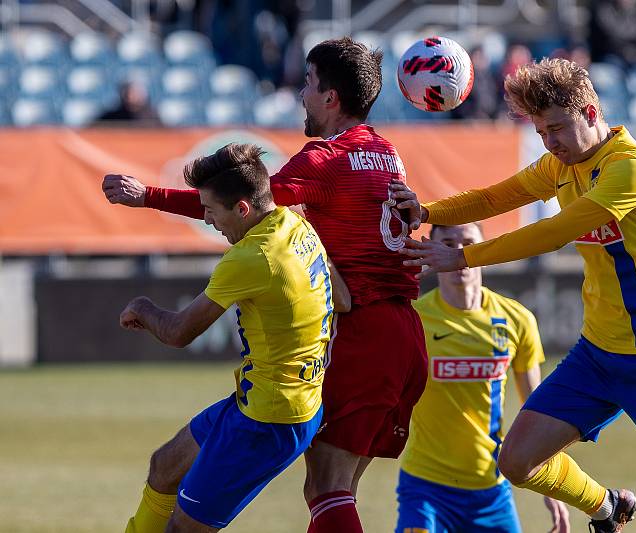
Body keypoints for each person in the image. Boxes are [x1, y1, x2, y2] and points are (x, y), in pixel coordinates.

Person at [391, 57, 636, 533]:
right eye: (541, 132)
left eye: (557, 129)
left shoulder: (632, 170)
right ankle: (607, 508)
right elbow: (495, 197)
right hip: (599, 355)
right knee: (516, 461)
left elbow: (554, 232)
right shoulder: (560, 166)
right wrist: (427, 210)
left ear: (589, 112)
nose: (550, 143)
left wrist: (462, 258)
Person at [102, 37, 428, 533]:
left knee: (328, 488)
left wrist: (147, 196)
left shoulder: (324, 160)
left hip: (363, 330)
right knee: (333, 489)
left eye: (308, 83)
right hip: (405, 329)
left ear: (330, 98)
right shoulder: (387, 152)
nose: (301, 94)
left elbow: (240, 200)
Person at [117, 143, 349, 532]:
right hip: (264, 400)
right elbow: (341, 297)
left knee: (183, 529)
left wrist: (141, 306)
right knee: (165, 467)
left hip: (269, 421)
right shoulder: (296, 225)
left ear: (242, 209)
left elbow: (178, 333)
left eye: (211, 210)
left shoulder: (251, 257)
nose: (207, 219)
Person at [397, 222, 570, 533]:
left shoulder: (516, 319)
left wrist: (551, 484)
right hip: (426, 489)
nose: (458, 252)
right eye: (447, 243)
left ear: (484, 251)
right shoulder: (413, 320)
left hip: (491, 492)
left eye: (467, 243)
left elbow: (538, 412)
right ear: (432, 252)